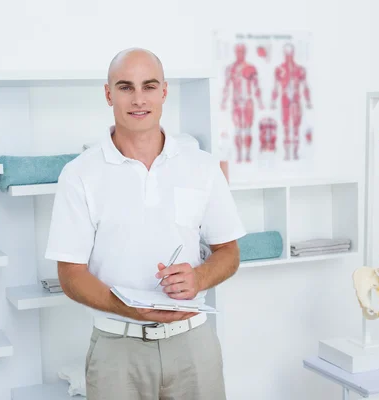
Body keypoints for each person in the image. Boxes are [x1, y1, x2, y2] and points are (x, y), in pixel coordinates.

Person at [45, 47, 246, 400]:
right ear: (108, 94)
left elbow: (229, 251)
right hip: (116, 351)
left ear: (164, 92)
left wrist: (199, 277)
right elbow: (70, 274)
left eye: (149, 86)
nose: (138, 99)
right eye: (125, 87)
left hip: (193, 345)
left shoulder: (202, 166)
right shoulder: (79, 175)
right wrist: (124, 307)